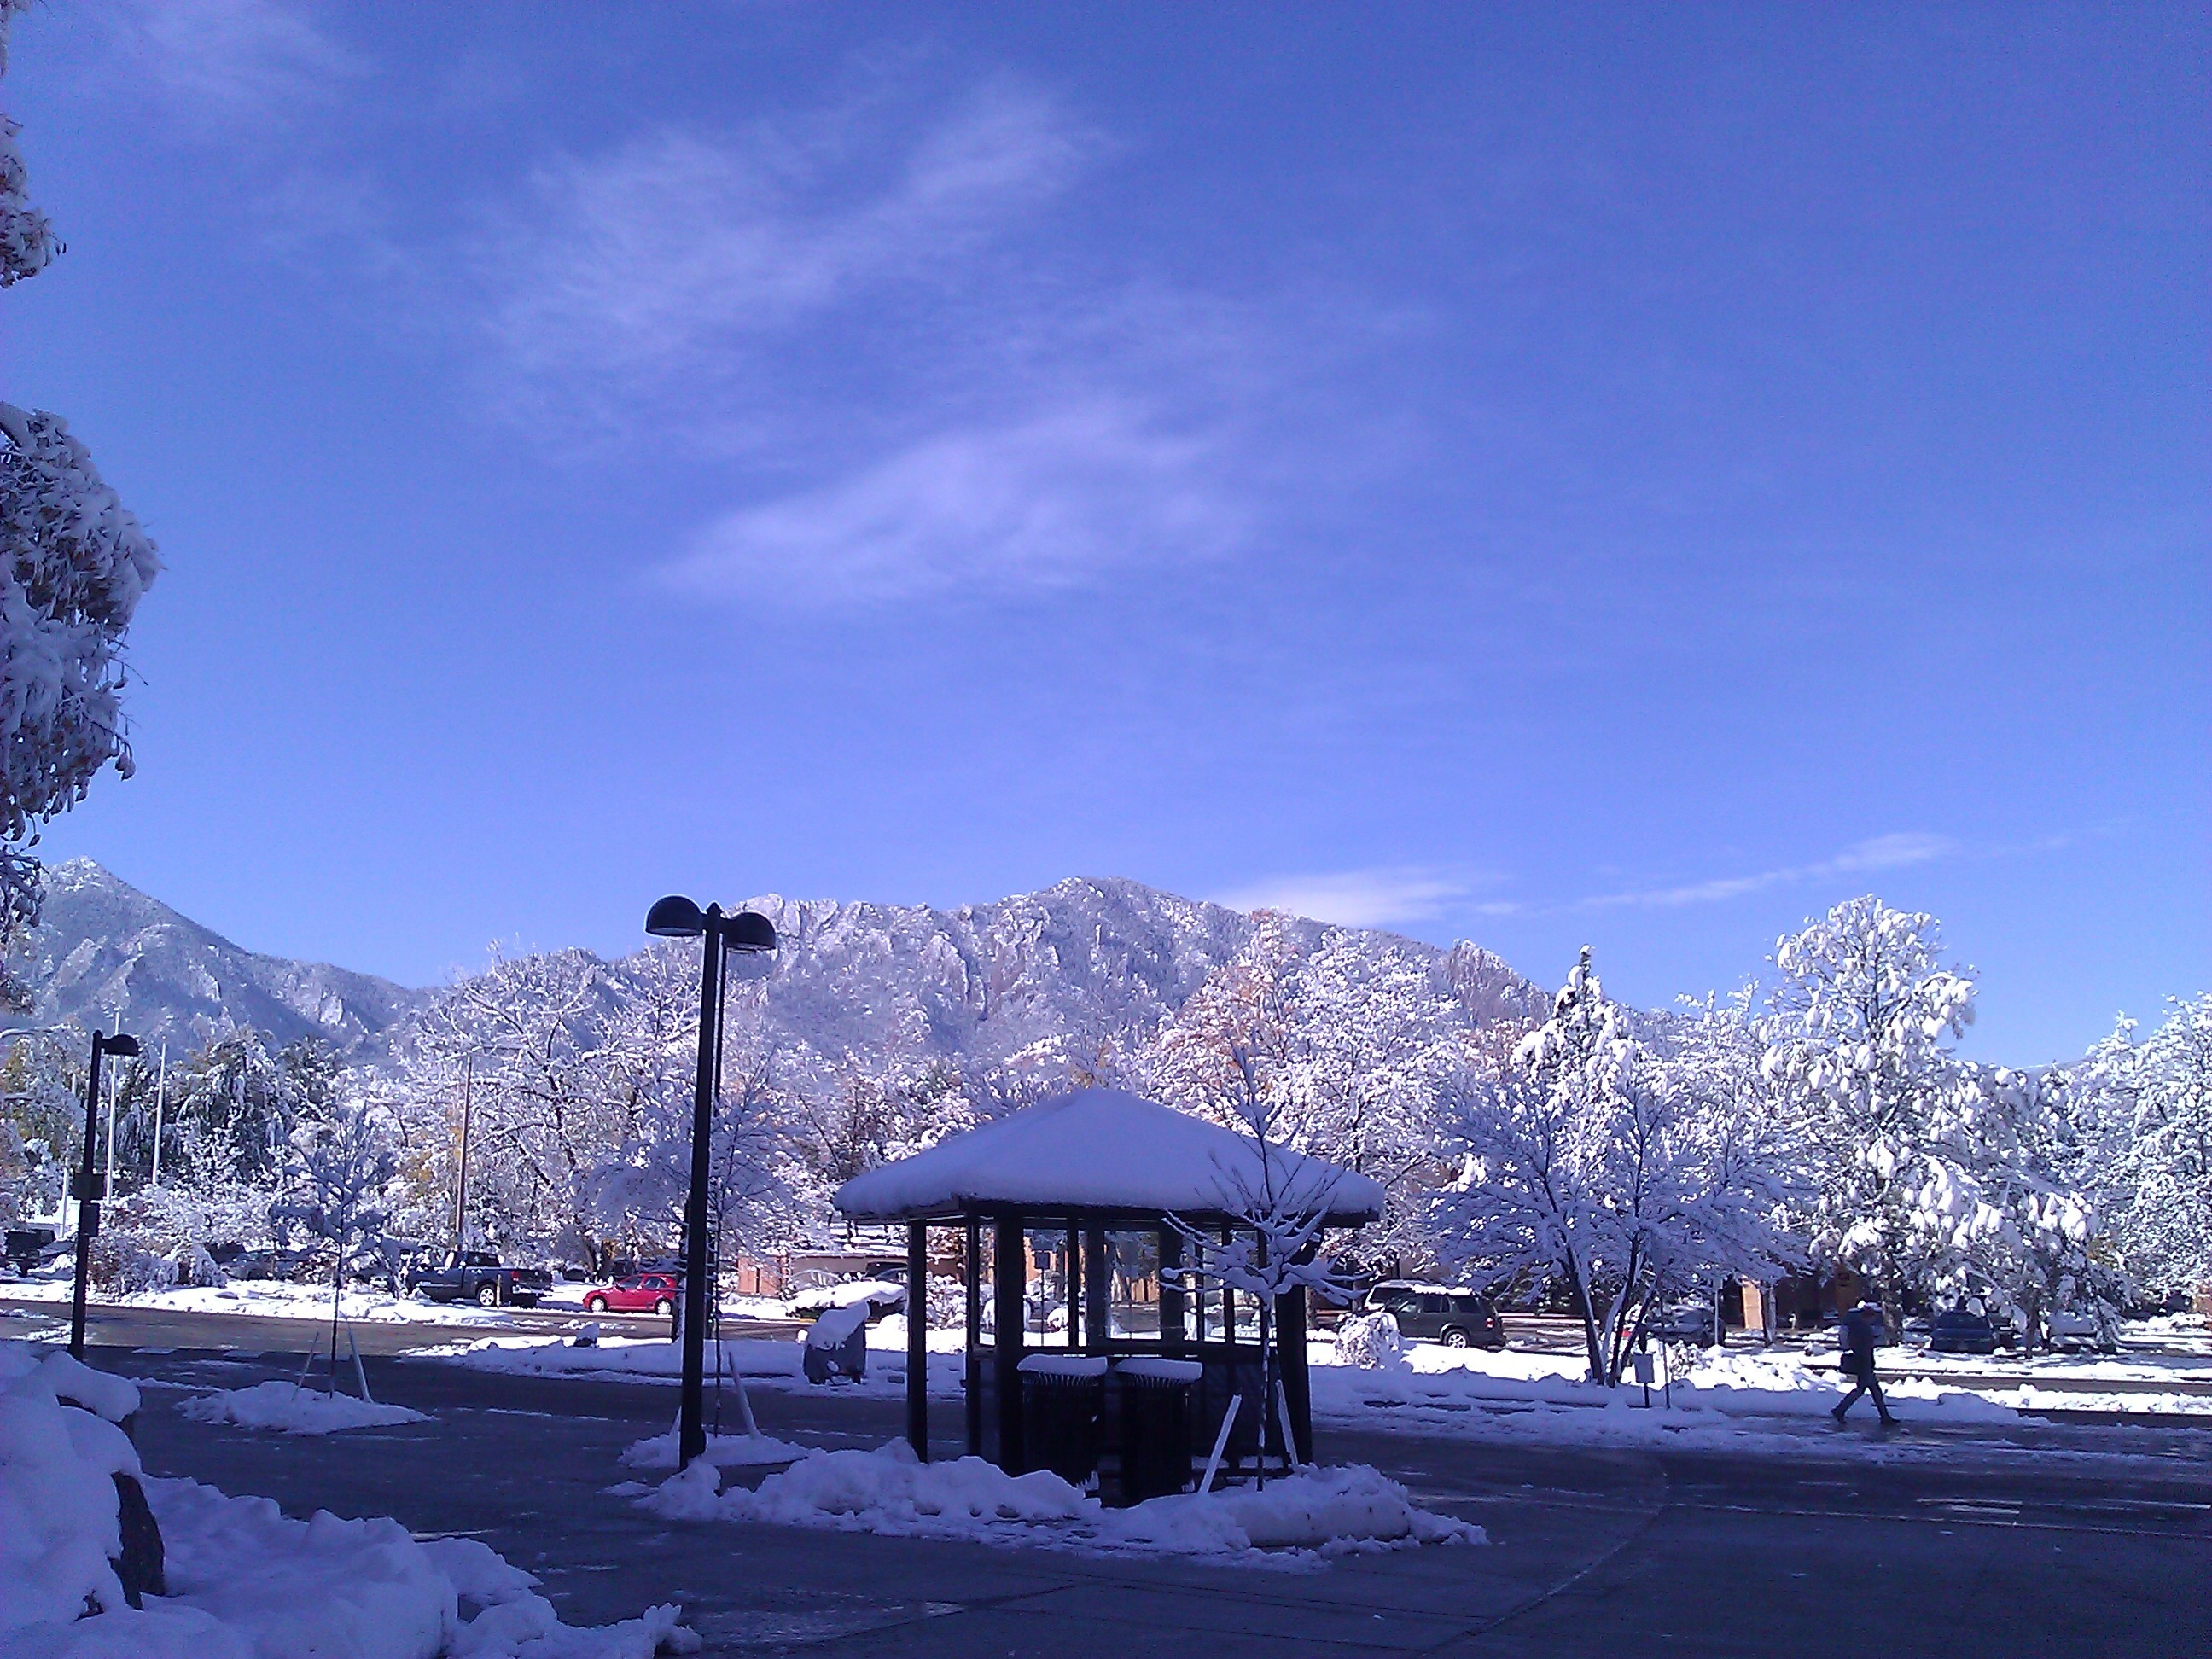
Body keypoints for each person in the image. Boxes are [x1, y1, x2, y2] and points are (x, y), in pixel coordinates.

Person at [1831, 1301, 1897, 1426]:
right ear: (1868, 1316)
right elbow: (1865, 1347)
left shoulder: (1858, 1326)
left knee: (1875, 1390)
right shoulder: (1863, 1328)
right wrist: (1868, 1362)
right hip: (1863, 1362)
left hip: (1864, 1361)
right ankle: (1839, 1410)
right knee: (1861, 1389)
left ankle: (1885, 1417)